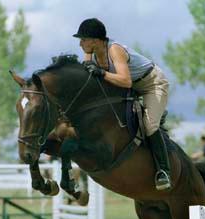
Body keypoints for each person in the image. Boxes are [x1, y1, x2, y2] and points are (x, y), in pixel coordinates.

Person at [73, 18, 171, 190]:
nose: (80, 43)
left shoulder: (114, 50)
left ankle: (164, 171)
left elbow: (125, 81)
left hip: (151, 84)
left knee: (149, 126)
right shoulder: (92, 51)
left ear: (95, 41)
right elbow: (88, 67)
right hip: (129, 86)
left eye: (83, 39)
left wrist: (101, 73)